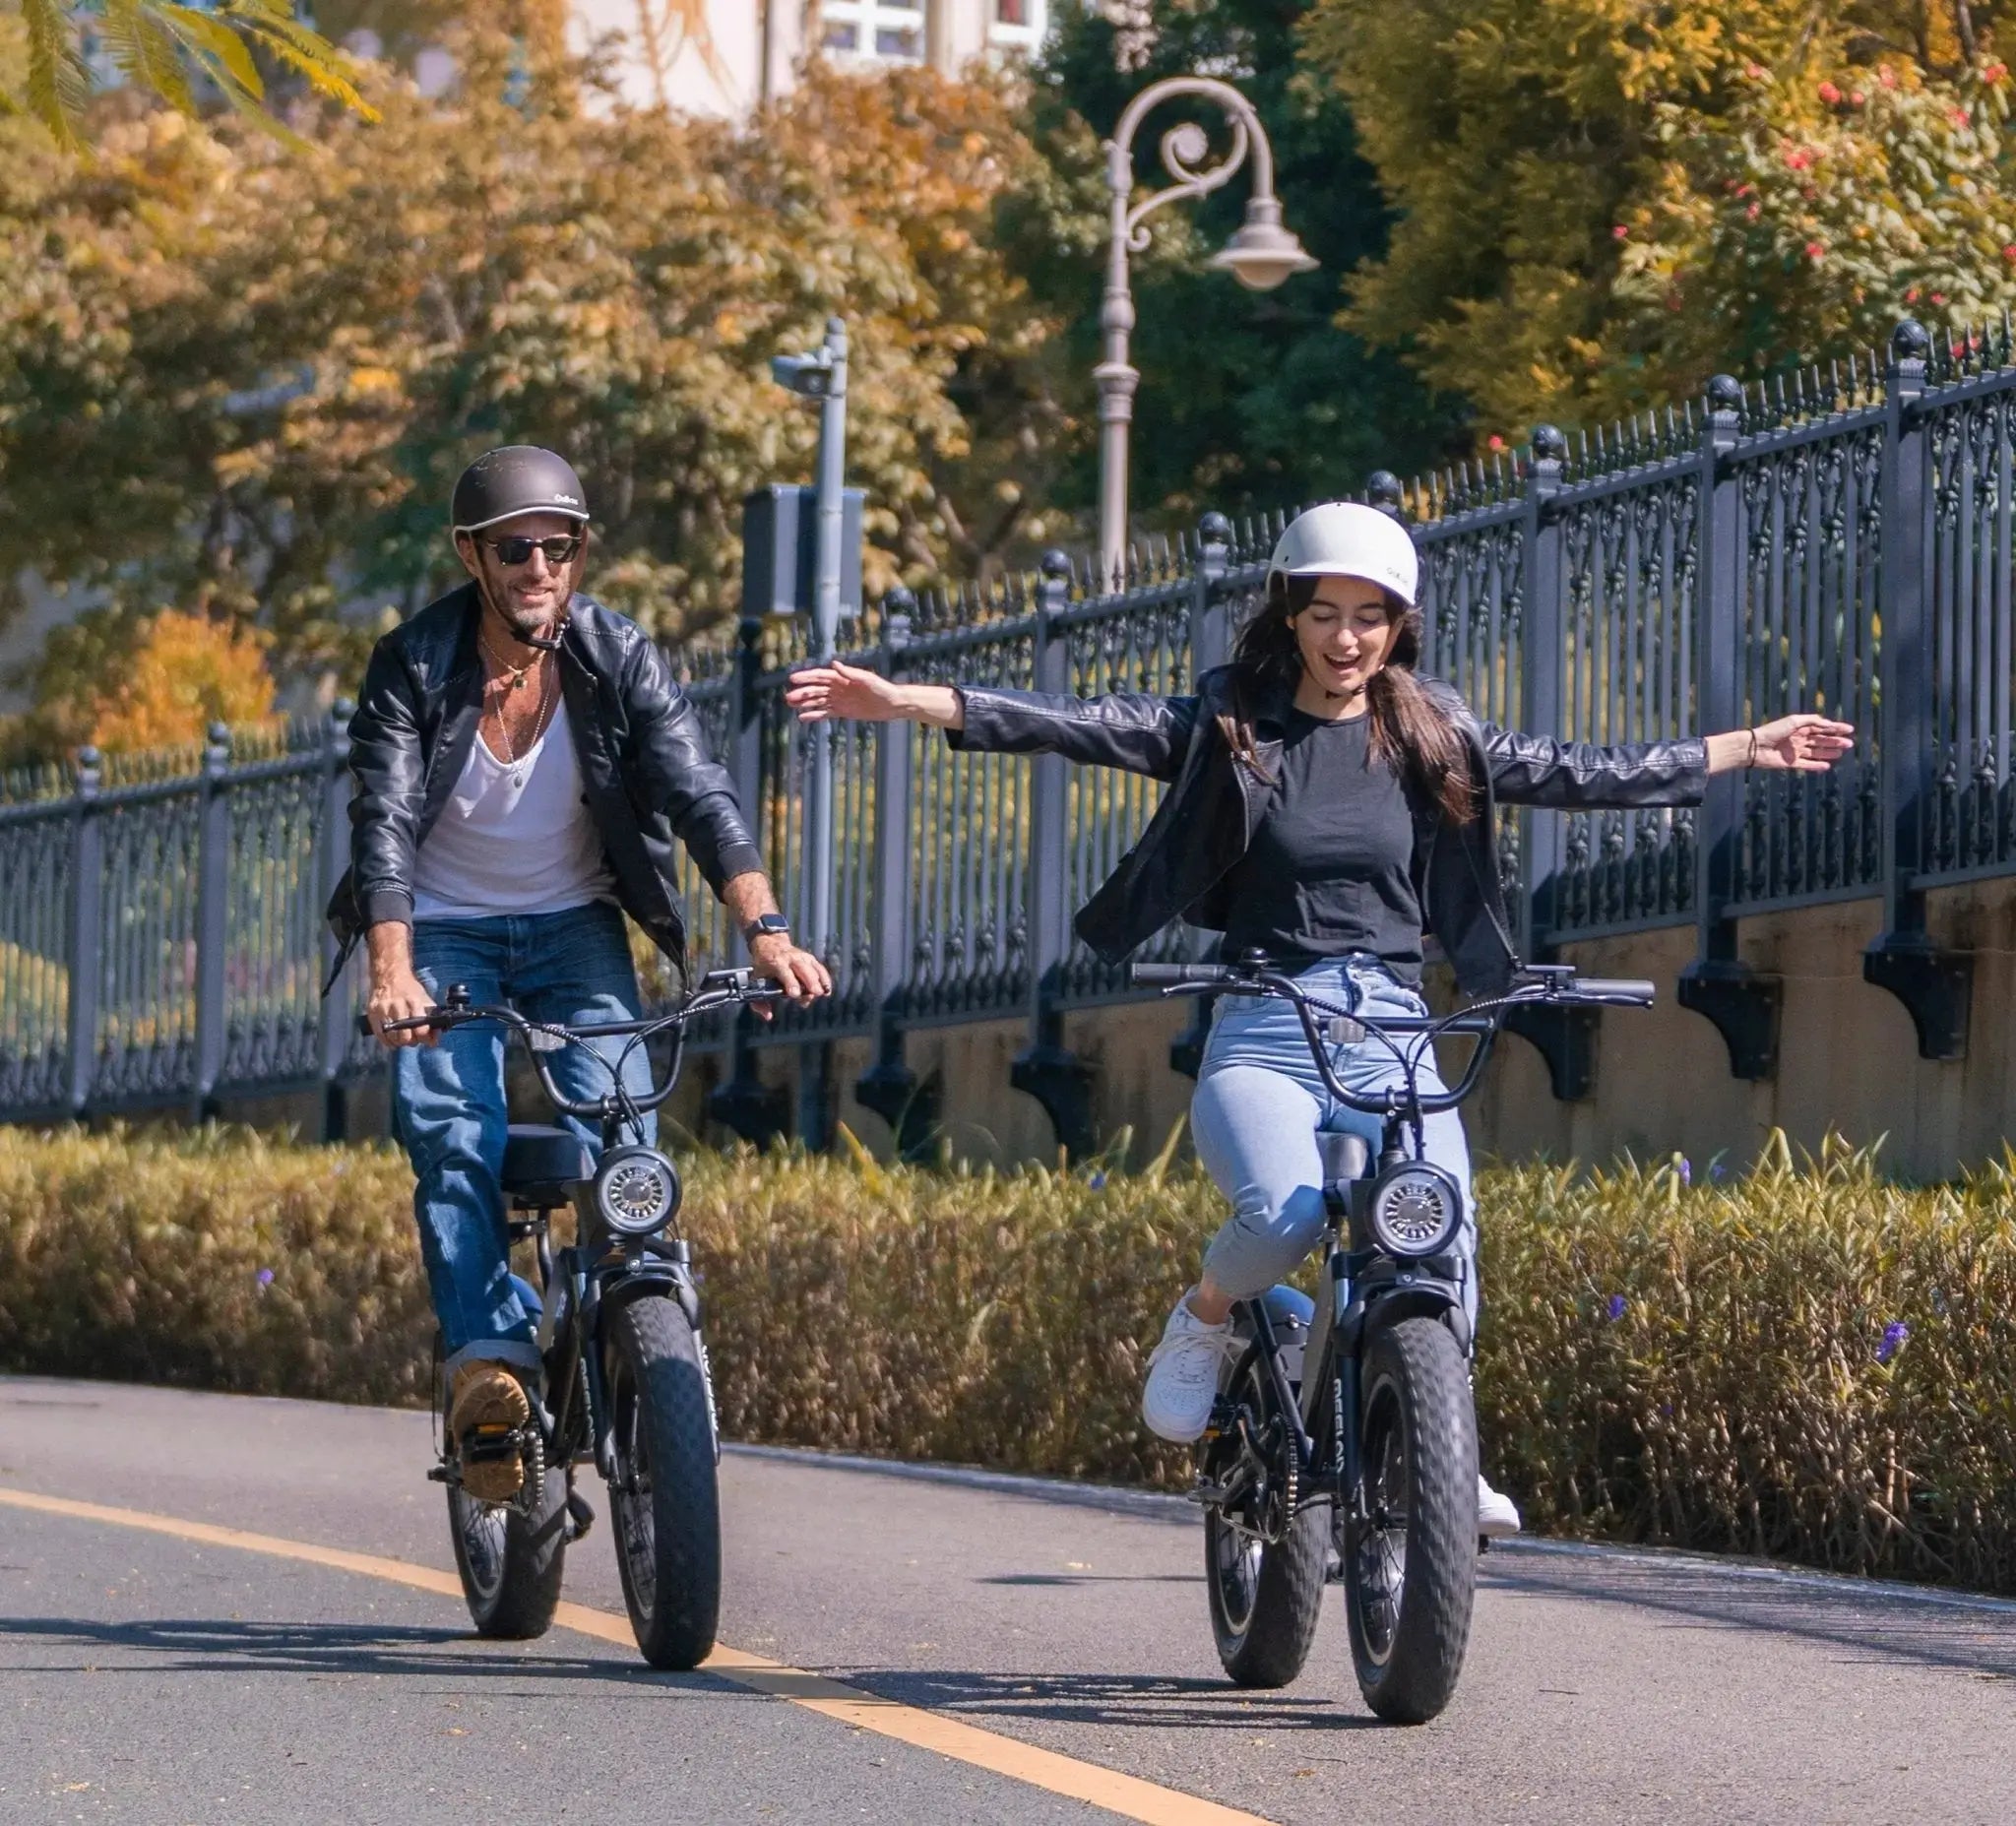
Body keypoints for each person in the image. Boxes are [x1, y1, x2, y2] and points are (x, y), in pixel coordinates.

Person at [786, 501, 1852, 1535]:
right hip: (1264, 1022)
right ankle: (1206, 1317)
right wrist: (907, 701)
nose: (1346, 638)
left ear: (1398, 625)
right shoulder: (1231, 727)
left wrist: (1745, 745)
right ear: (1289, 616)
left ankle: (1442, 1455)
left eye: (1368, 616)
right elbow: (1076, 723)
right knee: (1287, 1215)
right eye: (1325, 613)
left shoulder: (1433, 733)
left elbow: (1579, 771)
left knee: (1440, 1231)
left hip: (1393, 1029)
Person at [327, 445, 830, 1503]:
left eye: (561, 547)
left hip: (573, 927)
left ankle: (632, 1320)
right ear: (471, 556)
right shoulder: (413, 664)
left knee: (624, 1126)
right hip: (445, 931)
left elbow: (699, 794)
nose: (540, 568)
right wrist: (391, 970)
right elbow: (383, 823)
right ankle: (488, 1368)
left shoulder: (616, 654)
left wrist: (766, 929)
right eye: (516, 549)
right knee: (453, 1134)